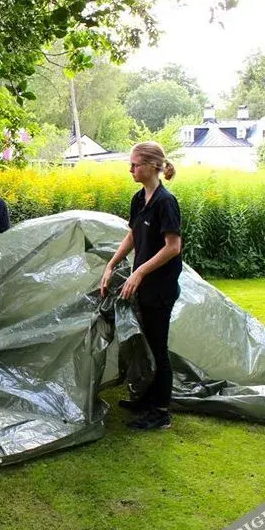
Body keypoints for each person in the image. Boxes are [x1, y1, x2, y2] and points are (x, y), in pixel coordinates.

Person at [99, 141, 182, 431]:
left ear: (151, 166)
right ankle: (145, 400)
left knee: (158, 348)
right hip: (143, 286)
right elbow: (133, 235)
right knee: (144, 344)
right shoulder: (139, 198)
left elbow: (173, 247)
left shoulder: (166, 202)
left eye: (134, 164)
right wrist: (111, 265)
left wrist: (139, 272)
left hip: (160, 288)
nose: (130, 169)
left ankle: (160, 412)